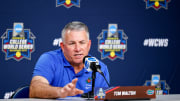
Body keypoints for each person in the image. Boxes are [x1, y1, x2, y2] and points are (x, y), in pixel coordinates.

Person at [29, 21, 110, 98]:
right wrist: (60, 92)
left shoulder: (100, 68)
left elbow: (103, 98)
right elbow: (35, 89)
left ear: (89, 45)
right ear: (62, 46)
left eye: (82, 42)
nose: (78, 49)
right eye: (72, 43)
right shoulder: (49, 59)